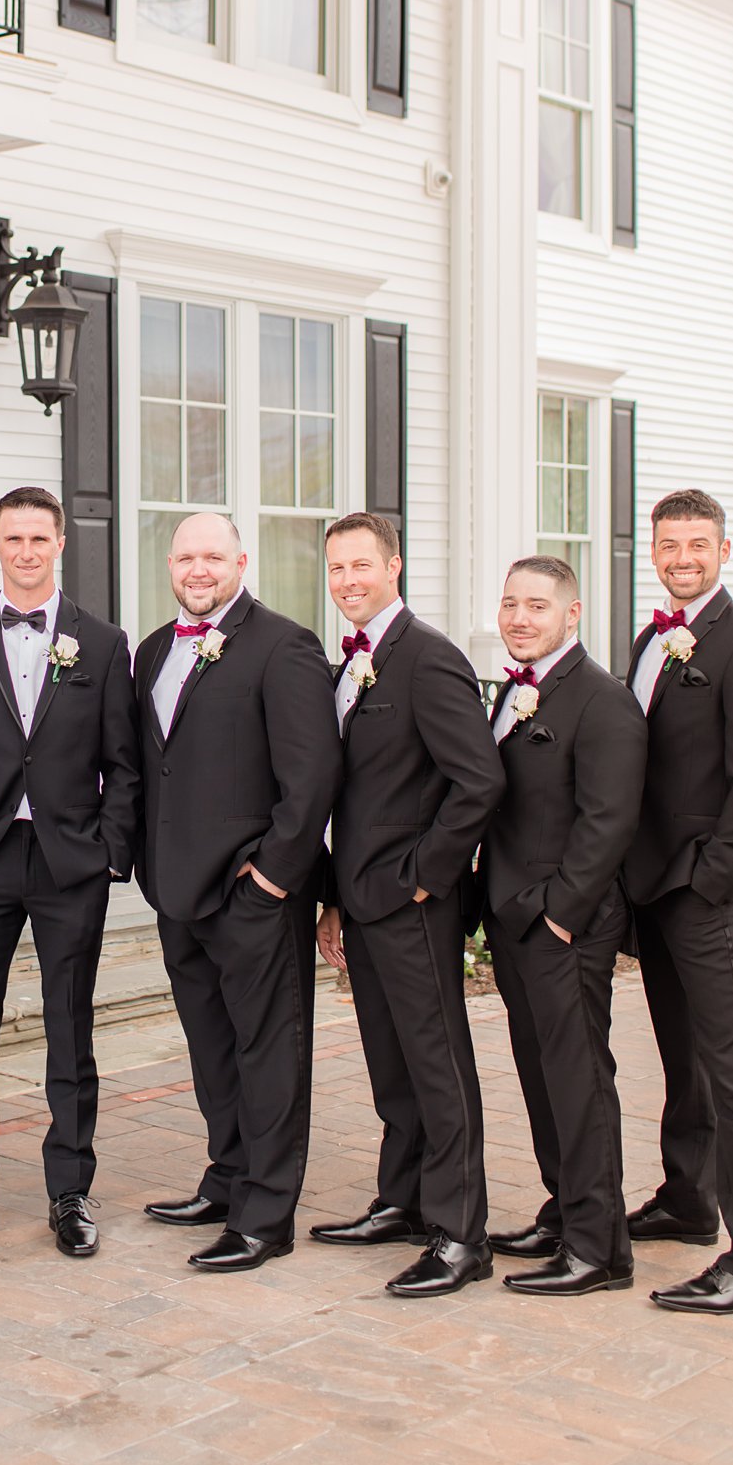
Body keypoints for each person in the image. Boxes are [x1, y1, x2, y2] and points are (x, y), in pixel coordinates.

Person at [0, 486, 140, 1260]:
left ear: (58, 545)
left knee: (69, 1028)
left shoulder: (104, 644)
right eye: (12, 538)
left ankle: (69, 1190)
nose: (25, 550)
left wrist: (110, 848)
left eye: (38, 537)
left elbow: (124, 762)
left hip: (68, 861)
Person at [134, 513, 338, 1273]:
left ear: (240, 562)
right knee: (212, 1048)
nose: (198, 568)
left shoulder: (284, 645)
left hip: (254, 890)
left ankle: (265, 1213)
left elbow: (312, 775)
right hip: (176, 890)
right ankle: (226, 1177)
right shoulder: (154, 649)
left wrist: (275, 876)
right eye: (186, 555)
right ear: (170, 564)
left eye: (213, 555)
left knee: (268, 1052)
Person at [313, 513, 505, 1296]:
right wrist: (332, 901)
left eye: (363, 564)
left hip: (412, 901)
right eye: (336, 568)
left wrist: (427, 873)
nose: (349, 580)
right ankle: (403, 1197)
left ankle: (463, 1234)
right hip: (359, 902)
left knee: (438, 1065)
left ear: (394, 565)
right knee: (391, 1065)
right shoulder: (351, 664)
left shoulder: (428, 658)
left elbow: (480, 780)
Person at [622, 488, 733, 1315]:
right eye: (669, 544)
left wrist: (711, 880)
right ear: (651, 552)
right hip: (654, 888)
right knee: (683, 1059)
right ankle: (690, 1199)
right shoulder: (649, 642)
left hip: (708, 891)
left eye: (698, 544)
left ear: (725, 550)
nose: (682, 557)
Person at [480, 556, 647, 1296]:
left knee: (580, 1080)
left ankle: (599, 1247)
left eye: (537, 606)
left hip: (564, 926)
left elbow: (608, 822)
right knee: (541, 1074)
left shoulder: (604, 701)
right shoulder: (513, 692)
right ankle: (563, 1208)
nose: (520, 617)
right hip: (514, 918)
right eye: (511, 603)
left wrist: (559, 919)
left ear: (571, 614)